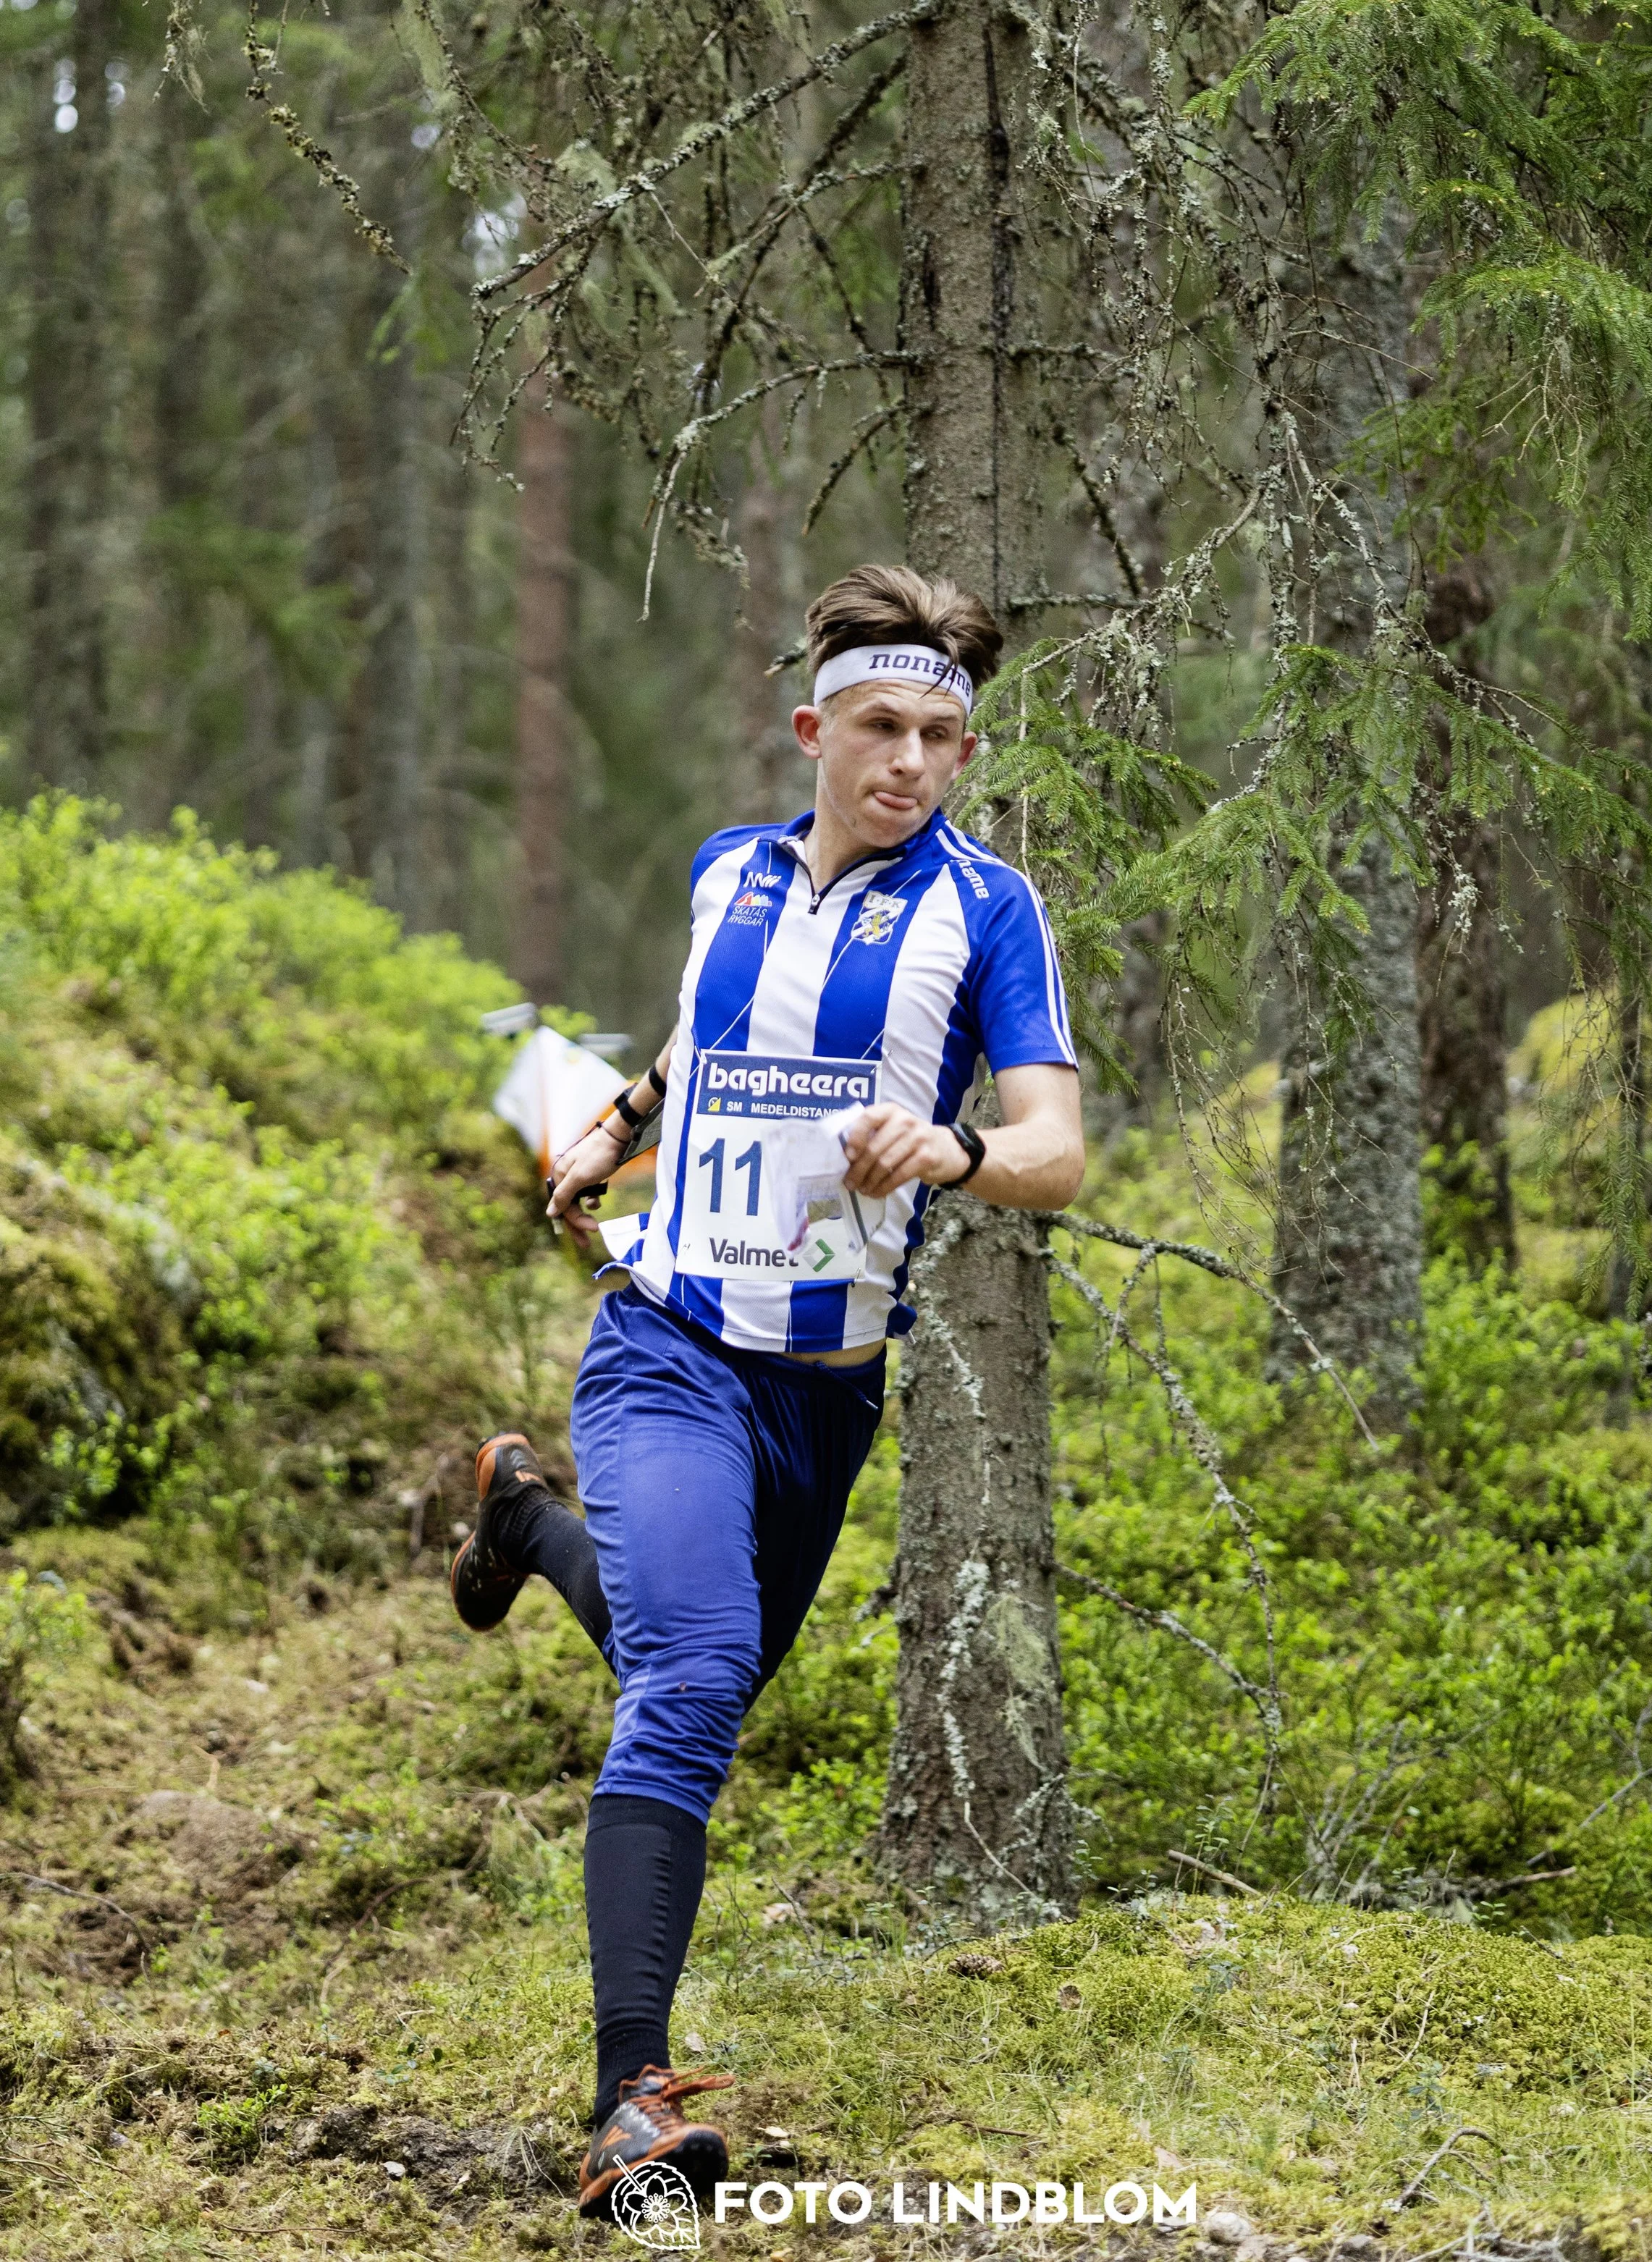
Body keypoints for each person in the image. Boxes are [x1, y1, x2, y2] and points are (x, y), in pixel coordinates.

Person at [447, 563, 1084, 2218]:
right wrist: (613, 1121)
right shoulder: (726, 870)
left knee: (700, 1670)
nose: (913, 763)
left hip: (825, 1389)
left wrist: (954, 1146)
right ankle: (628, 2101)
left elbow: (1056, 1147)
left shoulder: (985, 910)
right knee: (698, 1667)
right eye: (881, 727)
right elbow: (695, 1042)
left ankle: (521, 1515)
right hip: (666, 1338)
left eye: (943, 735)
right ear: (812, 728)